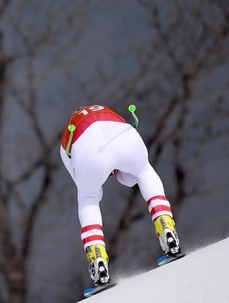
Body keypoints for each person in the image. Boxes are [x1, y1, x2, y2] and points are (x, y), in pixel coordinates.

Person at [59, 104, 180, 287]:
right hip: (122, 134)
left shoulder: (65, 143)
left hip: (87, 148)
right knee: (144, 171)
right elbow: (129, 179)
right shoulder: (107, 111)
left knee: (88, 198)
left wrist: (104, 174)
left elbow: (87, 186)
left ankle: (97, 258)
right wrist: (116, 169)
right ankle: (166, 227)